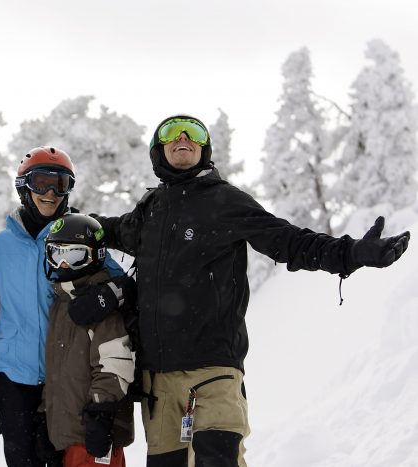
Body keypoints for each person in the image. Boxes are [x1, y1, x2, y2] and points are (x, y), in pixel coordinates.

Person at [73, 115, 411, 467]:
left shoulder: (226, 202)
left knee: (219, 460)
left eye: (195, 132)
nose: (183, 137)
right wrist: (64, 217)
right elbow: (103, 230)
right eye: (171, 133)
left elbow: (289, 241)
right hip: (158, 381)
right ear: (159, 150)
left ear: (205, 148)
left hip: (213, 371)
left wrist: (351, 253)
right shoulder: (149, 213)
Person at [0, 147, 132, 466]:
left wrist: (109, 293)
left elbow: (121, 282)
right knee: (23, 458)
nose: (50, 193)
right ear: (24, 187)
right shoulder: (0, 247)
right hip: (14, 373)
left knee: (69, 457)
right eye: (41, 182)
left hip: (65, 372)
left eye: (60, 184)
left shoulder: (77, 235)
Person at [41, 213, 136, 467]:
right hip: (68, 439)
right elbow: (58, 372)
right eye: (56, 254)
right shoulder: (61, 305)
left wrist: (100, 413)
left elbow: (115, 363)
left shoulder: (100, 306)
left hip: (93, 437)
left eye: (74, 256)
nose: (63, 265)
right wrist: (46, 415)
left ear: (96, 255)